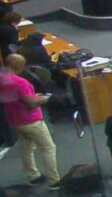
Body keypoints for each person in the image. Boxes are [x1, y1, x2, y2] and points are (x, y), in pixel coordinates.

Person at [1, 54, 60, 190]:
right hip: (31, 121)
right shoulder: (21, 82)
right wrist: (45, 99)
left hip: (14, 119)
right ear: (19, 66)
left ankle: (33, 176)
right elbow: (31, 104)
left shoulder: (2, 77)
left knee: (26, 148)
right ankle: (54, 181)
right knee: (48, 148)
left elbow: (16, 98)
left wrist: (32, 96)